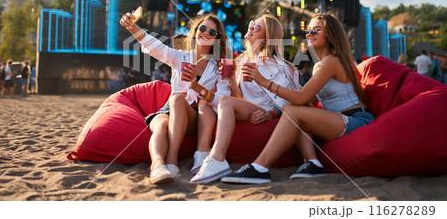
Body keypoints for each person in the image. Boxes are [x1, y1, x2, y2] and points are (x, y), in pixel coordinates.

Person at [219, 12, 374, 184]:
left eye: (316, 31)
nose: (309, 34)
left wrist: (263, 81)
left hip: (356, 119)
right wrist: (273, 111)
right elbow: (306, 100)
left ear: (330, 35)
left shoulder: (332, 61)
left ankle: (260, 167)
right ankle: (312, 163)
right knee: (295, 108)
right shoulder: (319, 66)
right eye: (308, 30)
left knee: (292, 110)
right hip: (338, 119)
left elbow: (300, 98)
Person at [120, 12, 230, 184]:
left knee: (178, 98)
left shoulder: (219, 68)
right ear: (195, 32)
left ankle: (171, 160)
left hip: (196, 115)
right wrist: (132, 27)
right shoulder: (180, 57)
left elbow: (223, 99)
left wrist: (197, 88)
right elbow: (155, 46)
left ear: (217, 39)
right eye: (202, 28)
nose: (205, 33)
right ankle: (157, 166)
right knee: (162, 122)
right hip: (168, 110)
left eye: (212, 32)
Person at [190, 14, 301, 184]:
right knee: (211, 102)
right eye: (252, 23)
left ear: (266, 38)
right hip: (248, 108)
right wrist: (232, 79)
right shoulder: (242, 60)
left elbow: (291, 99)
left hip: (265, 112)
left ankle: (217, 158)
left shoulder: (279, 66)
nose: (251, 28)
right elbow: (239, 98)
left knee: (224, 102)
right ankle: (206, 155)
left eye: (257, 28)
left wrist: (271, 114)